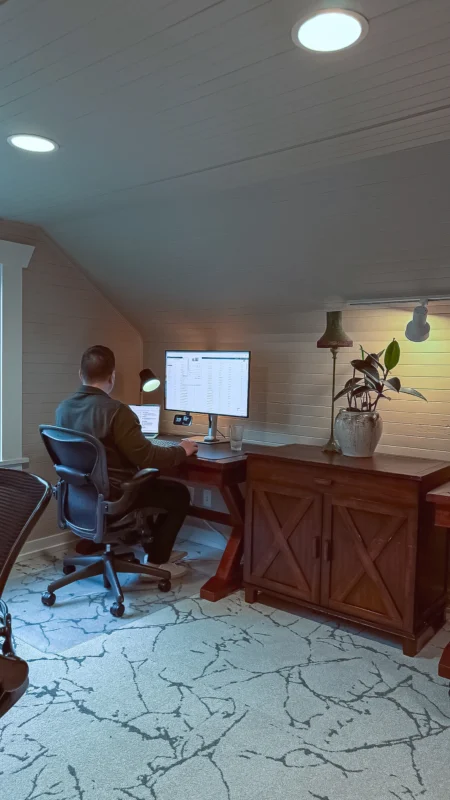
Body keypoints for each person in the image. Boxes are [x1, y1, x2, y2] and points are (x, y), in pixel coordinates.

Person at [55, 345, 198, 576]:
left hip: (78, 497)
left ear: (80, 374)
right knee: (178, 494)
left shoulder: (63, 409)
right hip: (115, 496)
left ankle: (156, 550)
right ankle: (157, 561)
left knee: (155, 488)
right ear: (112, 376)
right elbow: (147, 456)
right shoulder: (116, 411)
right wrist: (181, 450)